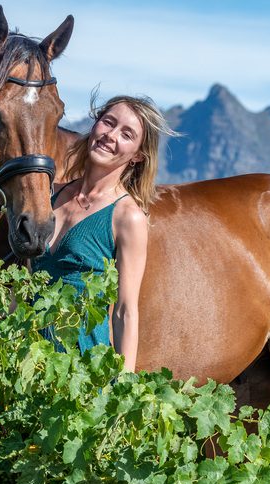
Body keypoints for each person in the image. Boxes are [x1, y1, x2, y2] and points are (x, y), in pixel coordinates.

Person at [31, 94, 177, 371]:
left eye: (127, 134)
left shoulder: (127, 216)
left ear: (137, 156)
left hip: (81, 369)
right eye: (107, 122)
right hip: (27, 360)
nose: (110, 135)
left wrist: (124, 386)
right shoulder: (50, 193)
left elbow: (125, 311)